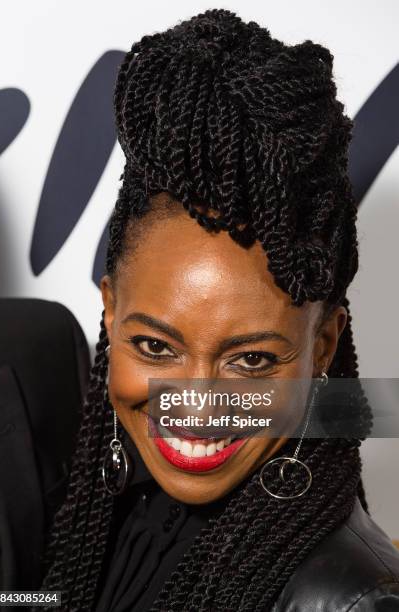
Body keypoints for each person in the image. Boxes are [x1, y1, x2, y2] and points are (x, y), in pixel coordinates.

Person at [34, 9, 399, 611]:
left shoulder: (348, 598)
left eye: (250, 360)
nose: (195, 405)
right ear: (109, 311)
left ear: (323, 349)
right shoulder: (104, 504)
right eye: (155, 346)